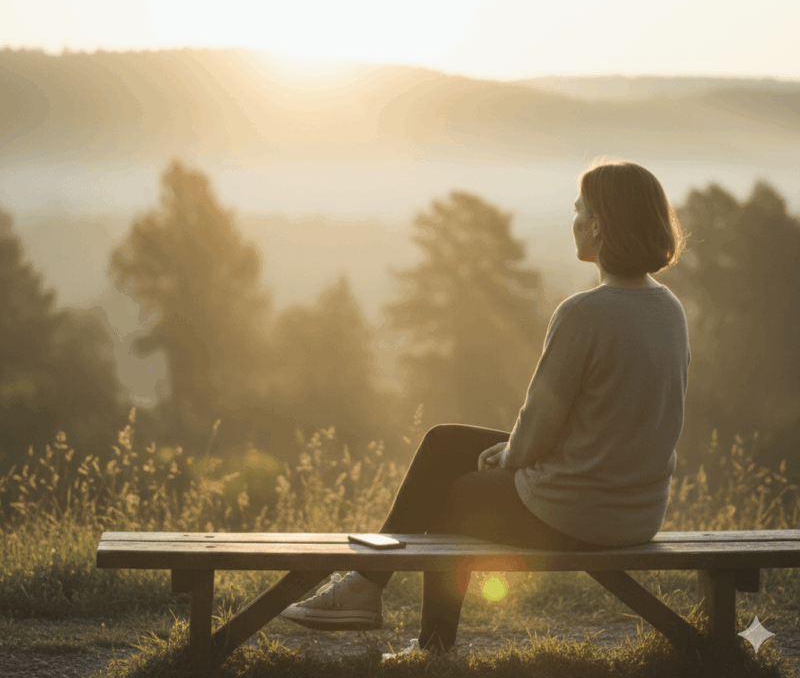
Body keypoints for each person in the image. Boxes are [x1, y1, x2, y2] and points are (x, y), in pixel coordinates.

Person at [279, 158, 691, 659]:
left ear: (599, 226)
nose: (573, 219)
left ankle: (417, 632)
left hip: (576, 514)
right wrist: (513, 450)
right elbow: (612, 420)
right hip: (639, 513)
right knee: (445, 441)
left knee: (450, 495)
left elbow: (540, 422)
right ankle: (367, 588)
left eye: (579, 209)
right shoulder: (669, 310)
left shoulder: (585, 313)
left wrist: (514, 455)